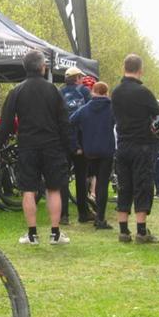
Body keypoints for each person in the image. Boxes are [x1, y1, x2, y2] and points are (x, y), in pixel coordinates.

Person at [0, 50, 71, 245]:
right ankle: (55, 233)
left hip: (27, 146)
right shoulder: (53, 90)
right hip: (52, 145)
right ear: (42, 67)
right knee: (54, 189)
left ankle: (32, 234)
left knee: (28, 189)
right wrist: (69, 147)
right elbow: (64, 121)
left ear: (25, 67)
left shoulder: (17, 91)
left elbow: (5, 122)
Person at [110, 54, 159, 243]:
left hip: (122, 145)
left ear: (124, 68)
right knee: (142, 186)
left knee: (124, 186)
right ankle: (141, 232)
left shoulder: (115, 92)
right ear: (140, 69)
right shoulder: (144, 92)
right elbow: (157, 113)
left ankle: (124, 231)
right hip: (142, 145)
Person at [69, 81, 115, 229]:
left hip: (90, 151)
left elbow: (71, 121)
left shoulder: (84, 109)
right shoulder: (112, 108)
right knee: (102, 184)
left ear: (92, 91)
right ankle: (100, 218)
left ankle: (88, 210)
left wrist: (79, 141)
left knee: (89, 179)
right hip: (106, 150)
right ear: (106, 93)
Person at [60, 66, 93, 223]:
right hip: (81, 140)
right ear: (78, 78)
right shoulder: (85, 92)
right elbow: (90, 115)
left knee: (63, 178)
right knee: (81, 177)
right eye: (81, 77)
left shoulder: (59, 93)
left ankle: (63, 215)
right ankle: (83, 213)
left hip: (63, 141)